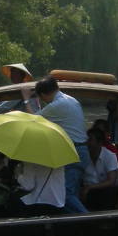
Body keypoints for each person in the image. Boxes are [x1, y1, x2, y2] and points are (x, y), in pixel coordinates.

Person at [32, 75, 87, 213]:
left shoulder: (58, 105)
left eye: (41, 98)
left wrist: (27, 99)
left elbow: (33, 121)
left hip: (74, 153)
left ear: (44, 94)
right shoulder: (71, 100)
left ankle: (89, 221)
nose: (43, 101)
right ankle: (77, 224)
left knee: (66, 194)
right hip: (80, 151)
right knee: (71, 193)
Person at [80, 126, 118, 210]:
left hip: (105, 191)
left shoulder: (109, 156)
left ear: (99, 142)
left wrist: (89, 188)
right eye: (86, 140)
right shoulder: (83, 156)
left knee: (109, 192)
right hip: (87, 191)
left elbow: (111, 181)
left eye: (90, 140)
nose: (87, 143)